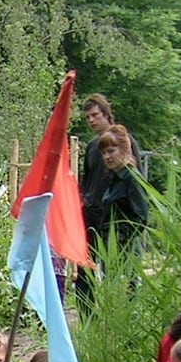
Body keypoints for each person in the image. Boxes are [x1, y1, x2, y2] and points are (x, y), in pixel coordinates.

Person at [78, 125, 147, 311]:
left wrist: (122, 243)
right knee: (112, 299)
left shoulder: (132, 178)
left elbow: (140, 217)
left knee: (125, 299)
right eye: (103, 152)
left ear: (124, 149)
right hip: (110, 250)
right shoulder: (113, 179)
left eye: (111, 151)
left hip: (125, 250)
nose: (107, 156)